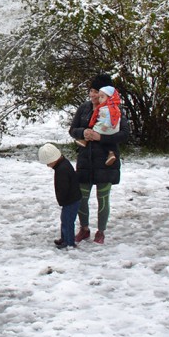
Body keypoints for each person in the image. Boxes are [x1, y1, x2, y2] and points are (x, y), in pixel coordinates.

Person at [69, 73, 130, 245]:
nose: (93, 95)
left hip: (106, 162)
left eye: (97, 91)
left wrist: (101, 138)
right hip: (85, 160)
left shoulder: (116, 111)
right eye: (91, 91)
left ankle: (101, 231)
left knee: (103, 198)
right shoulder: (84, 108)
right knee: (81, 197)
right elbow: (72, 130)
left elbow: (124, 134)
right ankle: (84, 228)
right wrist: (83, 133)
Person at [38, 143, 81, 249]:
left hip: (71, 200)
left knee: (68, 221)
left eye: (48, 163)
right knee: (65, 220)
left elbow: (63, 187)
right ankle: (64, 238)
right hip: (70, 199)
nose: (48, 166)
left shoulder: (62, 169)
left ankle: (69, 242)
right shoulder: (62, 164)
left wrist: (62, 199)